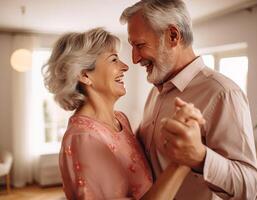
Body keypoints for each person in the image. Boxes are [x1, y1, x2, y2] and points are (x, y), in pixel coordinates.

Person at [120, 0, 257, 199]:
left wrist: (200, 157)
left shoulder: (223, 93)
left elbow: (250, 186)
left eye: (140, 45)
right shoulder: (155, 92)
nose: (134, 59)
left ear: (173, 36)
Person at [43, 27, 197, 200]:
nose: (125, 67)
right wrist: (183, 161)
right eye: (114, 59)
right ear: (85, 75)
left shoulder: (120, 119)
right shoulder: (83, 137)